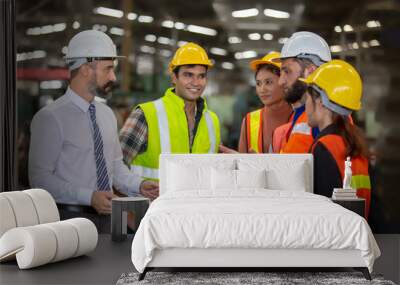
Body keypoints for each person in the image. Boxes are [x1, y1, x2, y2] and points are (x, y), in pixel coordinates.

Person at [29, 30, 159, 232]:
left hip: (110, 219)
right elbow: (40, 180)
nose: (113, 76)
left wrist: (140, 185)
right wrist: (88, 196)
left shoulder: (107, 115)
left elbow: (116, 169)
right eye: (108, 69)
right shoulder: (50, 118)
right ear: (86, 69)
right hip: (67, 221)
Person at [119, 42, 220, 181]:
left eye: (201, 76)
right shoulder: (146, 114)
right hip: (152, 202)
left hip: (197, 202)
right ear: (174, 77)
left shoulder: (212, 121)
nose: (196, 82)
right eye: (188, 75)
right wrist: (139, 186)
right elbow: (116, 166)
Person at [302, 59, 371, 218]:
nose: (306, 105)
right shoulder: (356, 144)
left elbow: (323, 213)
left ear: (320, 101)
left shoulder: (324, 147)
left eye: (307, 98)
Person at [219, 52, 292, 153]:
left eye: (268, 82)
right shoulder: (250, 120)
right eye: (258, 83)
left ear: (284, 82)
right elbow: (243, 164)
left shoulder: (301, 120)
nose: (262, 89)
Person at [272, 31, 332, 153]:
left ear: (310, 71)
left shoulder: (325, 118)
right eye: (281, 73)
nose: (280, 82)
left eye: (287, 71)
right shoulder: (302, 115)